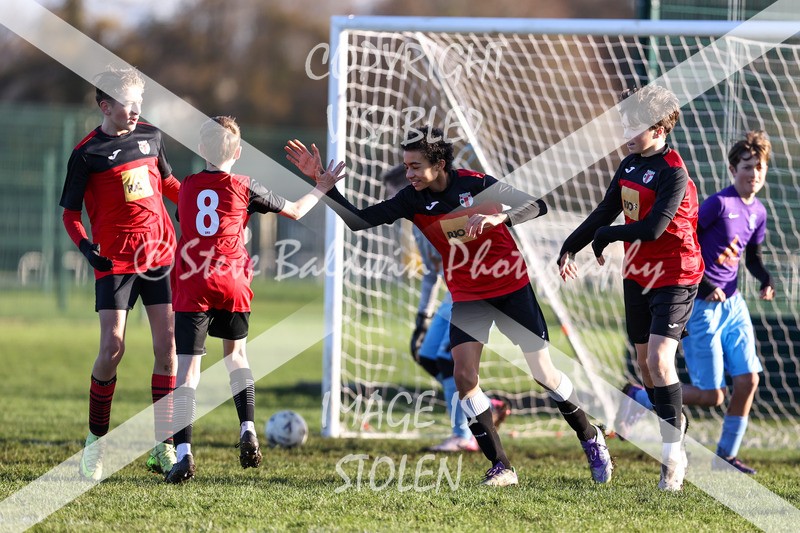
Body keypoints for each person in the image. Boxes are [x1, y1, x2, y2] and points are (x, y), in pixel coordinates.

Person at [286, 126, 613, 487]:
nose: (408, 174)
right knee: (464, 377)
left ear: (439, 164)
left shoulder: (475, 184)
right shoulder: (412, 199)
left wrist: (498, 217)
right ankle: (502, 466)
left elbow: (537, 205)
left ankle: (590, 437)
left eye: (414, 166)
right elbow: (359, 221)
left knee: (544, 375)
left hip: (511, 288)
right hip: (468, 295)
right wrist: (325, 186)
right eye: (405, 166)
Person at [165, 116, 345, 483]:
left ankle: (183, 454)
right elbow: (295, 210)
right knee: (236, 357)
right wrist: (322, 185)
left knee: (187, 371)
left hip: (191, 281)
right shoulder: (245, 185)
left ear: (201, 150)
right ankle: (248, 427)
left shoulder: (186, 187)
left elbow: (196, 216)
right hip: (231, 280)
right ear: (240, 151)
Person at [558, 85, 703, 491]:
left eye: (633, 125)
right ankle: (676, 421)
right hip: (638, 274)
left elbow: (655, 229)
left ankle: (673, 458)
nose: (625, 131)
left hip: (676, 273)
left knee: (659, 362)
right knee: (646, 368)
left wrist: (608, 235)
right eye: (623, 123)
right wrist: (572, 245)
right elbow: (605, 210)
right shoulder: (628, 165)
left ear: (658, 127)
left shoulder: (674, 172)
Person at [622, 131, 774, 475]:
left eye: (760, 168)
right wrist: (703, 284)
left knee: (749, 380)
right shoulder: (718, 204)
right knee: (712, 395)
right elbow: (687, 241)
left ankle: (726, 456)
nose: (754, 174)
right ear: (733, 169)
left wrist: (765, 280)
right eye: (747, 167)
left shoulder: (759, 211)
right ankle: (640, 397)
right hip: (702, 306)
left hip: (733, 305)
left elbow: (752, 256)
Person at [60, 67, 181, 481]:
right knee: (113, 348)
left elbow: (168, 184)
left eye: (139, 105)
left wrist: (206, 201)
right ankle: (95, 445)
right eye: (129, 105)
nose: (136, 112)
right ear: (105, 105)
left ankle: (162, 447)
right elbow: (70, 215)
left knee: (168, 349)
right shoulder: (86, 154)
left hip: (160, 255)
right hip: (114, 263)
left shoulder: (151, 137)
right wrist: (86, 248)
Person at [382, 165, 510, 453]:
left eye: (394, 196)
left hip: (472, 288)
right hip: (451, 294)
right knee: (427, 355)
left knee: (446, 360)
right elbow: (431, 274)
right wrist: (422, 317)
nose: (393, 205)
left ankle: (463, 435)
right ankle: (489, 406)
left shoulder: (442, 213)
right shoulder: (416, 228)